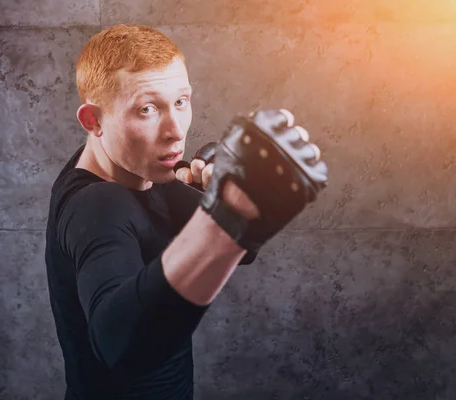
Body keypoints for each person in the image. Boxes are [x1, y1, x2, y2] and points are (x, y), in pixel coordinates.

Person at [44, 24, 326, 400]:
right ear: (93, 120)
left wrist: (223, 198)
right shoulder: (98, 205)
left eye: (181, 101)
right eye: (147, 109)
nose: (175, 130)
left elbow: (244, 247)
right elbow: (118, 344)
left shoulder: (140, 173)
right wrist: (224, 217)